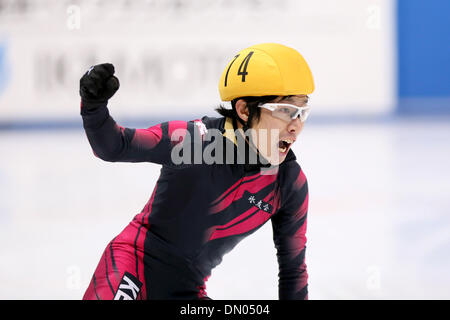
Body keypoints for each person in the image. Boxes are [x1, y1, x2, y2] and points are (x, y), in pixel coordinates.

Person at [79, 43, 314, 300]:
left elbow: (293, 271)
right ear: (245, 110)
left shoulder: (288, 184)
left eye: (302, 112)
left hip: (187, 293)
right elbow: (115, 146)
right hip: (131, 269)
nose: (296, 127)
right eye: (285, 111)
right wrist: (94, 107)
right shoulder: (193, 142)